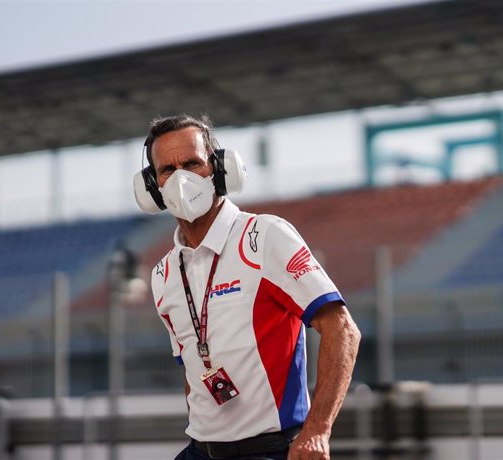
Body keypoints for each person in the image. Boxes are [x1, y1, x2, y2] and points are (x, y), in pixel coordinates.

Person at [133, 114, 360, 460]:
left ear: (220, 169)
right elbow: (191, 370)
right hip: (199, 450)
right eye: (167, 169)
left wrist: (317, 431)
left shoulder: (265, 236)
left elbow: (342, 330)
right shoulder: (163, 273)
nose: (180, 178)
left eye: (192, 163)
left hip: (269, 449)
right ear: (152, 187)